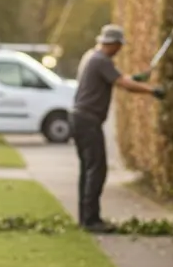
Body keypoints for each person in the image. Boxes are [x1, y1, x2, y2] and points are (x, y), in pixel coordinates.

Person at [70, 24, 165, 233]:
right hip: (88, 121)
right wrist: (151, 90)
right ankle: (91, 220)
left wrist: (137, 78)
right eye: (119, 45)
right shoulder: (101, 61)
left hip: (79, 119)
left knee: (88, 169)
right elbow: (124, 84)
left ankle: (86, 218)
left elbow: (120, 79)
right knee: (97, 169)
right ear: (112, 44)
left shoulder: (91, 57)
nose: (120, 49)